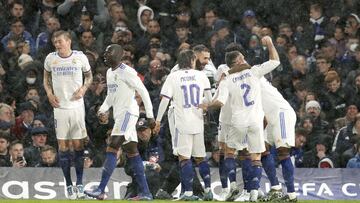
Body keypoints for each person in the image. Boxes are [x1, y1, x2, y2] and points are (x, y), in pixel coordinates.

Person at [203, 36, 280, 201]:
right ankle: (252, 192)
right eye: (242, 58)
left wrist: (207, 105)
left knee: (230, 153)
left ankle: (233, 187)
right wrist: (271, 44)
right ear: (237, 62)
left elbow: (220, 102)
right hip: (256, 121)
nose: (245, 59)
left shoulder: (227, 79)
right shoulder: (254, 71)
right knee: (256, 157)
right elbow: (275, 61)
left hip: (238, 122)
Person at [84, 44, 155, 200]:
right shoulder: (110, 72)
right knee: (132, 152)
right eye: (106, 50)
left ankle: (101, 189)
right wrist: (103, 110)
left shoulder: (127, 72)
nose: (105, 53)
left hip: (128, 114)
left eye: (109, 51)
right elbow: (110, 95)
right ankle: (145, 193)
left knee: (112, 146)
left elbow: (143, 91)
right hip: (119, 116)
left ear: (119, 54)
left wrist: (150, 115)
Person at [154, 49, 213, 201]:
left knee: (184, 158)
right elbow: (209, 100)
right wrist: (204, 107)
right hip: (198, 121)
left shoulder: (173, 77)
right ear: (193, 60)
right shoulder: (201, 75)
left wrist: (158, 120)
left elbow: (165, 100)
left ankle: (187, 193)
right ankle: (208, 190)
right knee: (201, 158)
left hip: (182, 123)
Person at [43, 30, 93, 200]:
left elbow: (89, 76)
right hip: (60, 108)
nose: (57, 45)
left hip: (77, 107)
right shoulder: (51, 59)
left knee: (78, 146)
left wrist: (84, 89)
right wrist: (49, 94)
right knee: (63, 147)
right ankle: (68, 185)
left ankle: (79, 183)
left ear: (68, 41)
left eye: (60, 41)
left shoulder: (80, 57)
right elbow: (46, 78)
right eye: (55, 42)